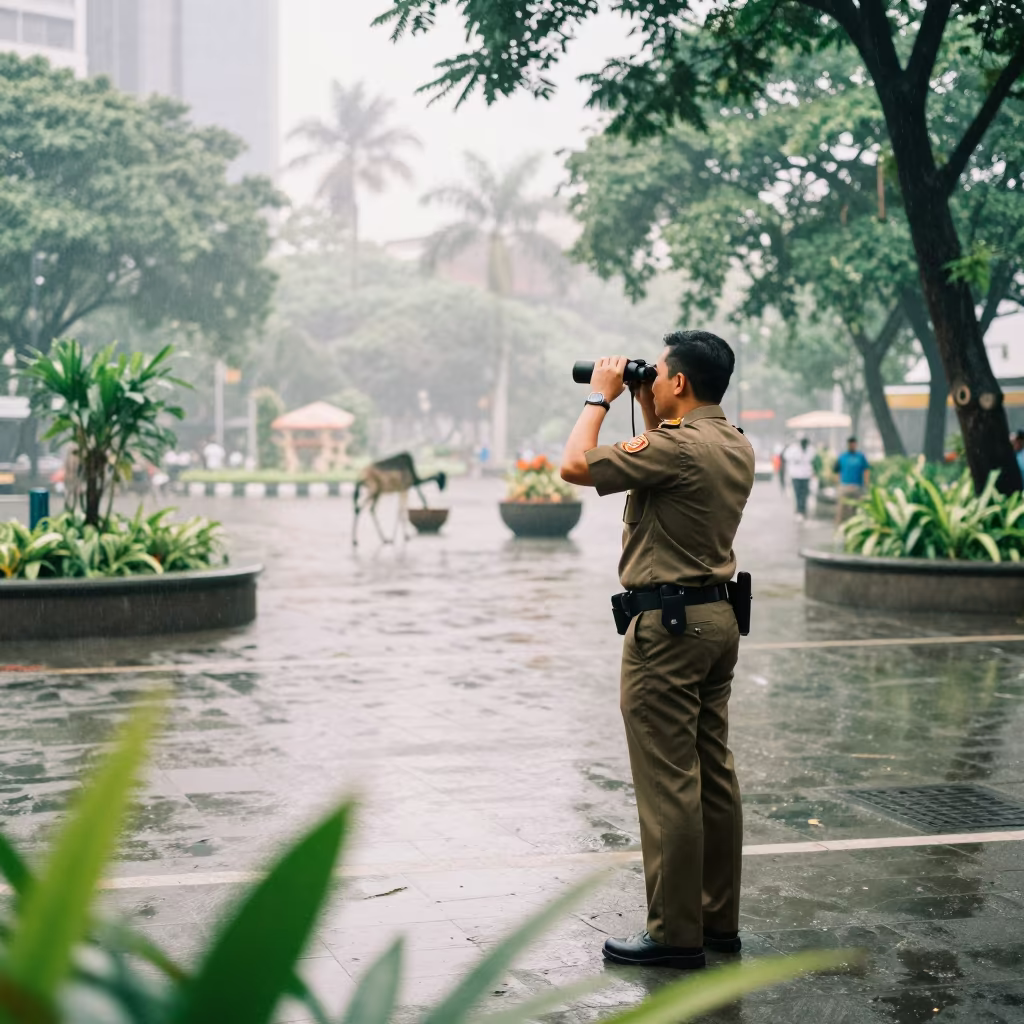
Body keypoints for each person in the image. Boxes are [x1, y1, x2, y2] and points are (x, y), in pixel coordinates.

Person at [560, 331, 755, 971]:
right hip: (716, 620)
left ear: (679, 383)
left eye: (661, 373)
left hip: (666, 636)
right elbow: (668, 457)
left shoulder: (677, 447)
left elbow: (575, 466)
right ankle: (716, 920)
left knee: (671, 781)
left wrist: (601, 397)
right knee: (713, 775)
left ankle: (676, 934)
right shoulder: (732, 442)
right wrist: (648, 406)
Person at [834, 436, 870, 525]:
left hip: (857, 487)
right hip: (845, 486)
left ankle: (856, 527)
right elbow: (836, 471)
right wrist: (838, 484)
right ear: (848, 445)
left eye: (854, 444)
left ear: (856, 445)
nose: (852, 445)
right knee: (842, 510)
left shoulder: (861, 457)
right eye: (850, 444)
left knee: (858, 509)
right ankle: (840, 528)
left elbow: (866, 470)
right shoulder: (842, 457)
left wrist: (866, 483)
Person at [783, 435, 814, 521]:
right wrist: (795, 459)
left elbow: (811, 459)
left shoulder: (810, 449)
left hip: (806, 475)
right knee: (798, 493)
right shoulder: (793, 449)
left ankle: (803, 509)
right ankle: (799, 510)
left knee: (804, 493)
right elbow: (786, 456)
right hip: (796, 475)